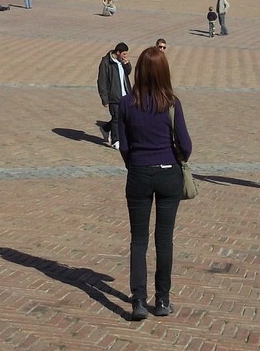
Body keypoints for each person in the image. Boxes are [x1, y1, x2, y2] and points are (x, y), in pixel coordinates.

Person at [118, 46, 192, 320]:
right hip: (167, 174)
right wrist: (175, 158)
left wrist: (135, 163)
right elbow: (185, 144)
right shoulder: (171, 102)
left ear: (139, 70)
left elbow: (123, 145)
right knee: (164, 240)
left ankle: (138, 301)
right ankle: (162, 300)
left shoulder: (127, 103)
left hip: (138, 172)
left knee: (138, 240)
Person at [96, 42, 131, 149]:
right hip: (114, 96)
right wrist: (104, 98)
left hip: (125, 94)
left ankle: (106, 128)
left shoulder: (122, 62)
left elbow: (128, 73)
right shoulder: (106, 62)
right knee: (116, 118)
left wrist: (127, 65)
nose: (125, 56)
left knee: (123, 117)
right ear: (118, 52)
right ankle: (116, 140)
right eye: (124, 54)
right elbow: (102, 81)